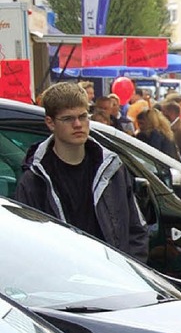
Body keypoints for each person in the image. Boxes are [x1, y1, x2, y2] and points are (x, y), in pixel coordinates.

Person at [15, 82, 147, 261]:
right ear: (50, 123)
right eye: (68, 119)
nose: (78, 124)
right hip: (64, 281)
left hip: (115, 278)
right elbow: (27, 245)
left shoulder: (112, 169)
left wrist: (131, 271)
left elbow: (136, 229)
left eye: (83, 116)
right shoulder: (35, 180)